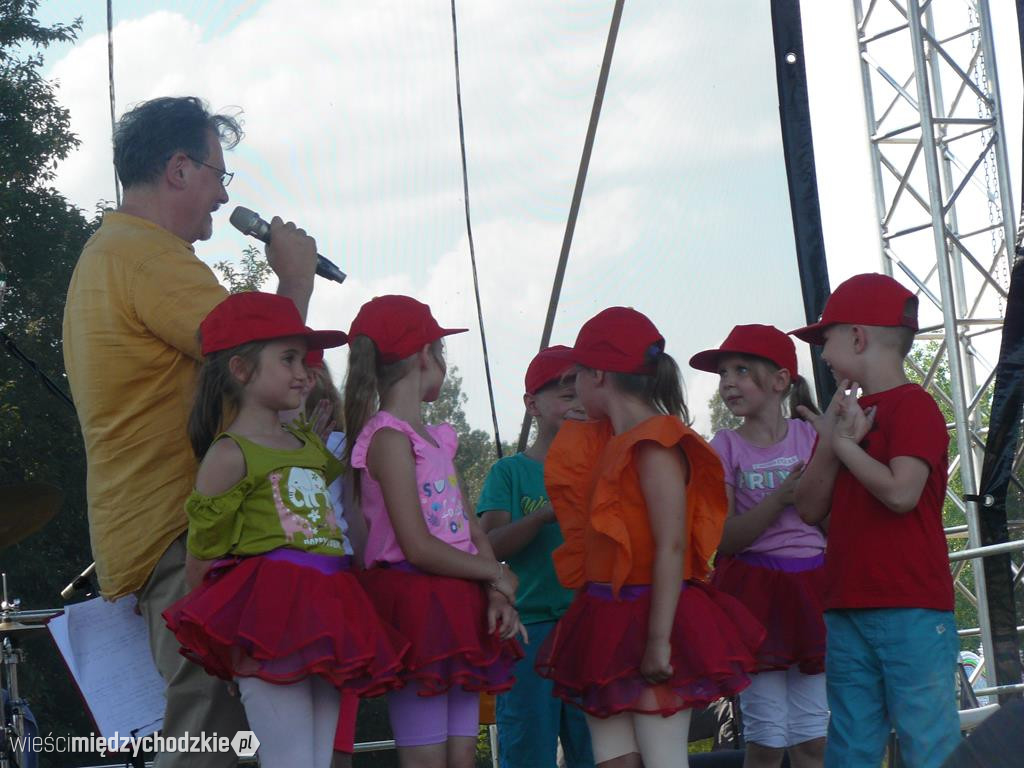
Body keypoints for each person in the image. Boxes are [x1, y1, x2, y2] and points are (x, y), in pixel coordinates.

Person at [62, 96, 319, 766]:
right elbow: (261, 368)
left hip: (162, 533)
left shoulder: (112, 254)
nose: (220, 195)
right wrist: (292, 278)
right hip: (184, 535)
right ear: (179, 169)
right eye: (217, 175)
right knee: (210, 734)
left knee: (218, 730)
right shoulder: (146, 255)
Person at [162, 292, 407, 768]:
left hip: (328, 611)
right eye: (289, 358)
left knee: (318, 758)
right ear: (240, 370)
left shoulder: (307, 446)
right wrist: (224, 647)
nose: (305, 371)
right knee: (290, 760)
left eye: (305, 359)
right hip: (269, 621)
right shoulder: (228, 455)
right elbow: (203, 559)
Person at [535, 307, 764, 768]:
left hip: (654, 617)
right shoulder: (602, 440)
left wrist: (659, 640)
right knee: (613, 759)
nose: (572, 389)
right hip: (603, 617)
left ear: (597, 374)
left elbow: (672, 545)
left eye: (574, 376)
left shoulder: (656, 444)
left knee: (662, 759)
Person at [343, 294, 526, 768]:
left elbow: (470, 528)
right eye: (441, 351)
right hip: (418, 610)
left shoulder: (438, 437)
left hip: (460, 604)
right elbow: (418, 545)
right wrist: (495, 575)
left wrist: (495, 591)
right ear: (426, 354)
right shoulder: (387, 439)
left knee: (463, 757)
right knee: (426, 759)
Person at [791, 273, 961, 767]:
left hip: (911, 605)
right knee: (850, 745)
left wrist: (842, 444)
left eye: (826, 339)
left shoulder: (916, 406)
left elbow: (902, 493)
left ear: (858, 337)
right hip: (846, 605)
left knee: (928, 744)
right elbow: (807, 507)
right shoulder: (846, 414)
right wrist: (832, 438)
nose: (821, 355)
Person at [689, 324, 827, 768]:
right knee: (766, 738)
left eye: (742, 370)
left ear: (781, 380)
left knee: (814, 738)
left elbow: (831, 517)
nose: (728, 381)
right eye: (723, 372)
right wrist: (780, 499)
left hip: (812, 589)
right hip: (753, 593)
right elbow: (723, 538)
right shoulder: (724, 446)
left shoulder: (811, 437)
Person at [477, 346, 595, 768]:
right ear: (532, 404)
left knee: (598, 750)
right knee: (529, 750)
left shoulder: (605, 464)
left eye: (584, 393)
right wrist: (546, 514)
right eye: (566, 396)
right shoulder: (510, 472)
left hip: (594, 626)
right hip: (529, 633)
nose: (579, 405)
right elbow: (486, 545)